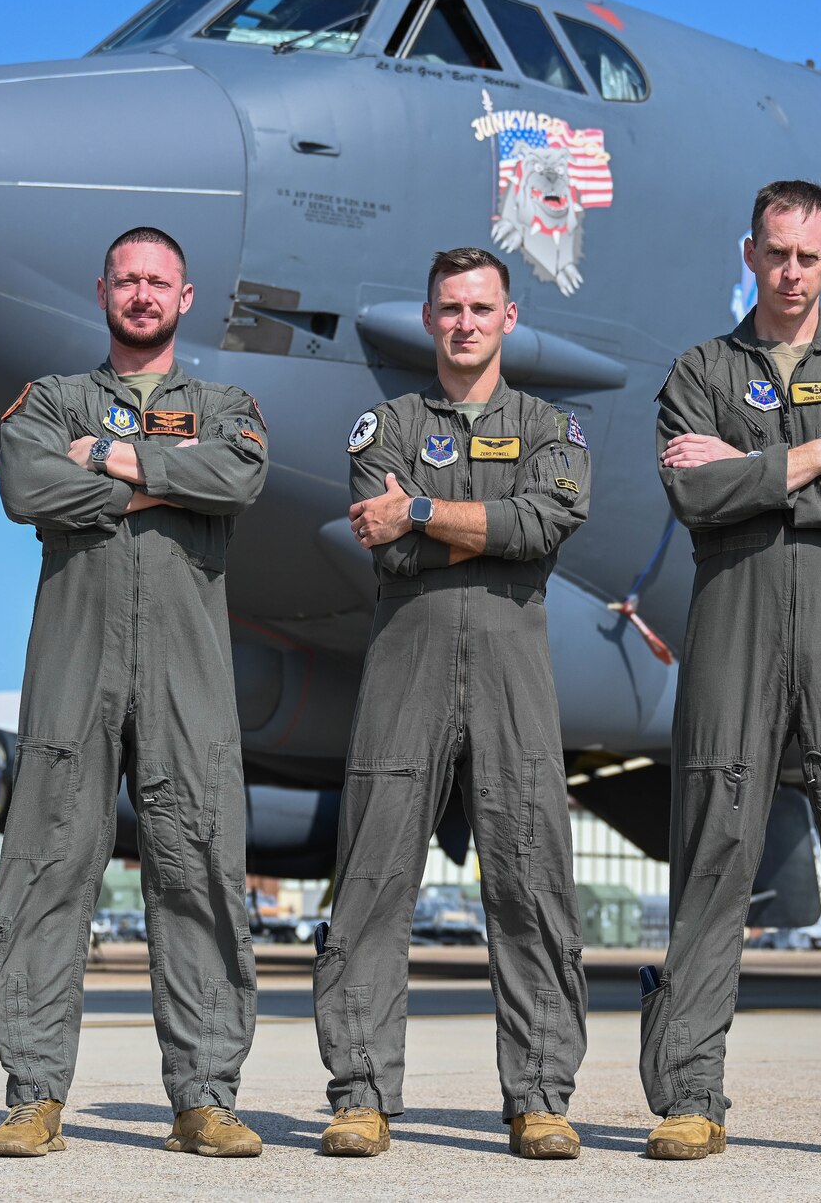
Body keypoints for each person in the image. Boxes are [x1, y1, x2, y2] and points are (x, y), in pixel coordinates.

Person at [639, 181, 821, 1165]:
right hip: (734, 636)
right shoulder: (697, 370)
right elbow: (689, 486)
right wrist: (812, 456)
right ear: (749, 253)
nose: (790, 272)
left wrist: (757, 471)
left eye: (808, 256)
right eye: (774, 253)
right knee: (711, 859)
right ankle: (689, 1094)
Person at [0, 226, 270, 1159]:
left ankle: (204, 1096)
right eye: (128, 280)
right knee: (47, 865)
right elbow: (26, 486)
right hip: (75, 662)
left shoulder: (225, 403)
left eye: (160, 282)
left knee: (199, 870)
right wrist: (160, 486)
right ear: (100, 288)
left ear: (186, 298)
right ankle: (34, 1094)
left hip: (187, 669)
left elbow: (239, 475)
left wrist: (109, 462)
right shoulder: (54, 399)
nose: (142, 294)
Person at [313, 247, 592, 1160]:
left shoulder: (553, 428)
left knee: (532, 882)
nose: (466, 322)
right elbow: (380, 545)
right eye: (450, 308)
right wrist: (484, 526)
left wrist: (426, 514)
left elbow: (542, 527)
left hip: (514, 670)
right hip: (407, 664)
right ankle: (360, 1092)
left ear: (509, 318)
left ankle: (541, 1095)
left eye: (482, 307)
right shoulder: (383, 427)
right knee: (373, 881)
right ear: (430, 319)